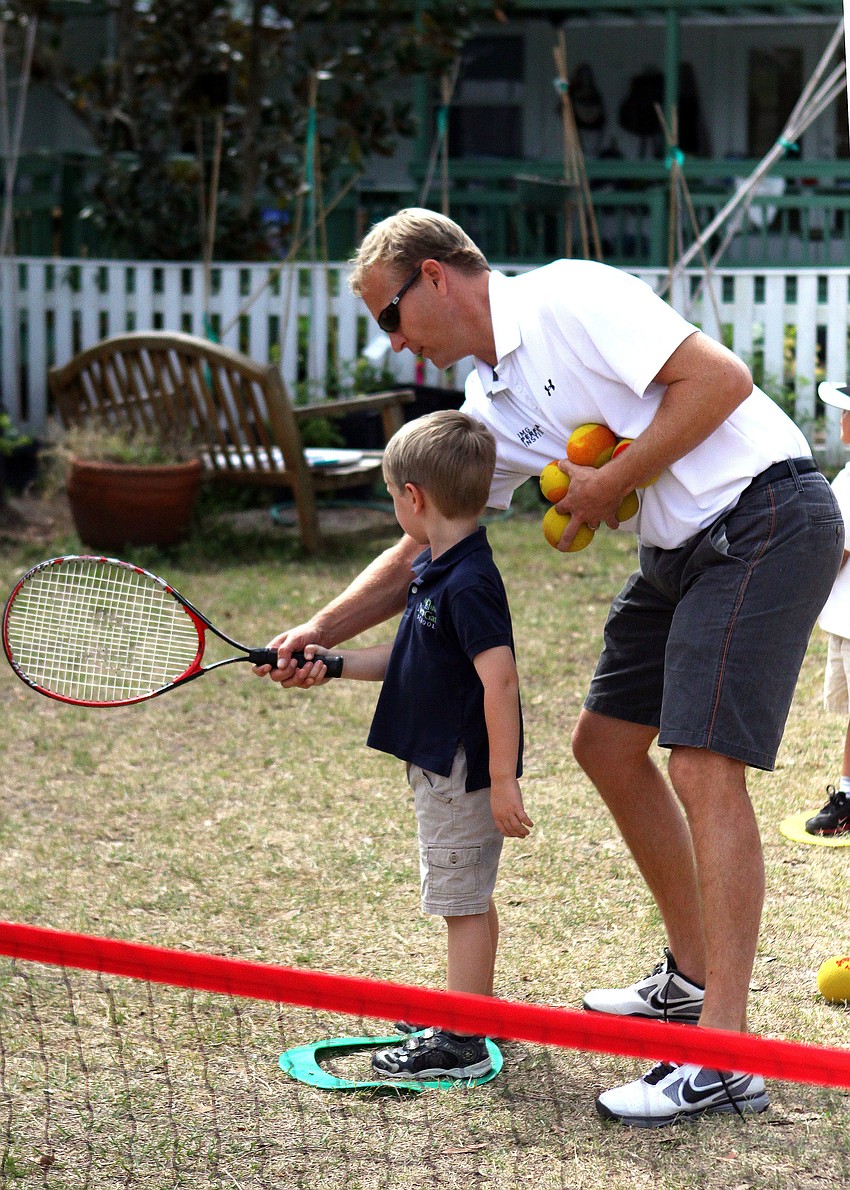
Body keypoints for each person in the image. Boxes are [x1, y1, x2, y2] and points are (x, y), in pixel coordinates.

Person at [256, 209, 843, 1126]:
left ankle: (726, 1057)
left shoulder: (570, 296)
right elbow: (428, 541)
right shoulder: (491, 409)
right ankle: (691, 978)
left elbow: (721, 382)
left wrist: (612, 482)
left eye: (391, 314)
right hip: (680, 548)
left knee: (700, 762)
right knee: (606, 744)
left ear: (436, 276)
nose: (397, 341)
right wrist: (319, 630)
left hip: (768, 517)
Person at [287, 409, 531, 1081]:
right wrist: (331, 661)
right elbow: (410, 658)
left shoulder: (469, 581)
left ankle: (460, 1038)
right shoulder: (440, 566)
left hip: (463, 769)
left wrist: (503, 778)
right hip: (440, 763)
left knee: (458, 899)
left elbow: (500, 679)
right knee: (469, 892)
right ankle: (472, 1010)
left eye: (393, 494)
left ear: (413, 499)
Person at [805, 381, 850, 837]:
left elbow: (836, 550)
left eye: (846, 412)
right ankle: (848, 795)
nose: (841, 421)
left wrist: (801, 590)